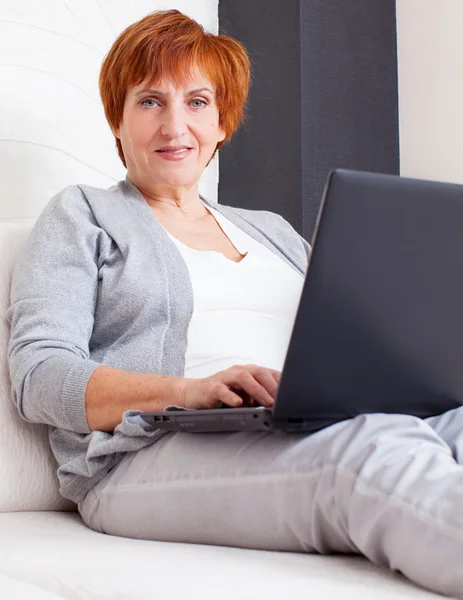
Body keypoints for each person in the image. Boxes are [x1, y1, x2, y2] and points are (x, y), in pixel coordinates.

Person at [7, 10, 463, 598]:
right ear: (115, 121)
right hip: (151, 454)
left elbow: (352, 335)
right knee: (373, 451)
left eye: (197, 102)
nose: (176, 125)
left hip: (304, 423)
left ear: (222, 122)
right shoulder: (82, 215)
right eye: (149, 101)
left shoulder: (269, 230)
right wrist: (184, 393)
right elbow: (39, 376)